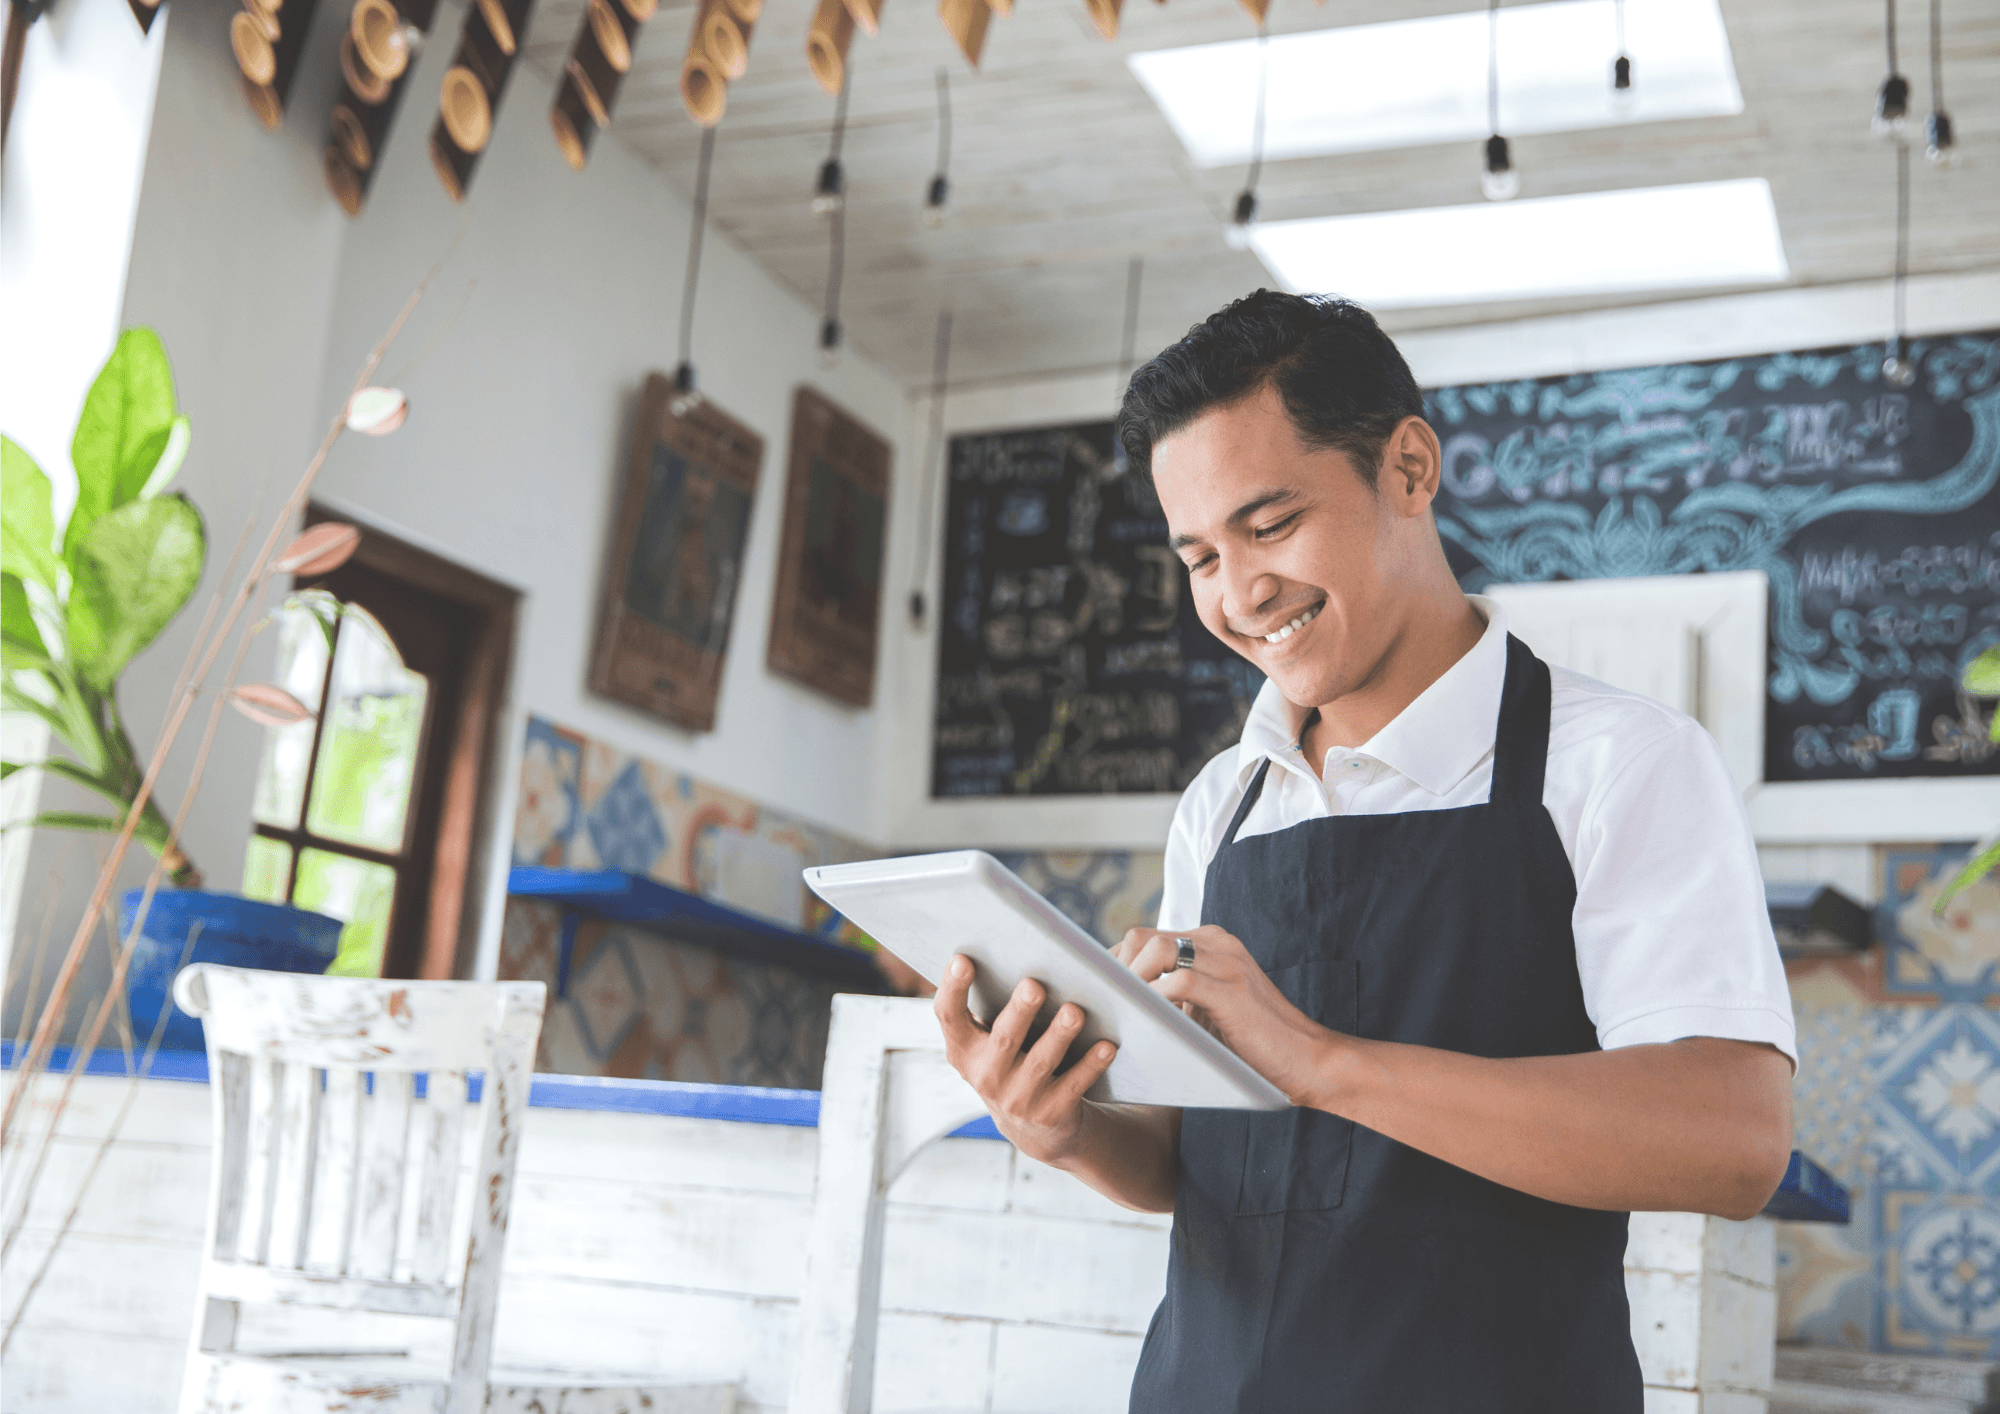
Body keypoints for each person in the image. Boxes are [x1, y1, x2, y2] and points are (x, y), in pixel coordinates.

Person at [932, 291, 1796, 1412]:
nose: (1238, 595)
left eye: (1270, 523)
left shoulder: (1621, 764)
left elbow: (1730, 1140)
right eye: (1196, 556)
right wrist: (1064, 1128)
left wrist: (1324, 1062)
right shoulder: (1221, 803)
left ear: (1407, 468)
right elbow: (1196, 1164)